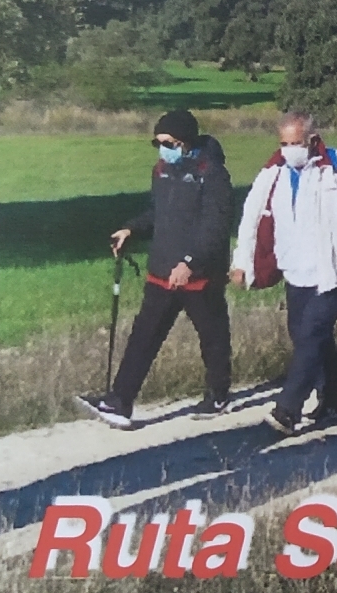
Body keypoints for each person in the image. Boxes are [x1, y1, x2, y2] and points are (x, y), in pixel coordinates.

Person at [78, 110, 233, 429]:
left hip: (198, 274)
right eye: (159, 143)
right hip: (161, 269)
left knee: (212, 335)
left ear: (187, 142)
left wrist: (191, 262)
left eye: (170, 143)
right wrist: (131, 230)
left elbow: (215, 227)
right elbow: (158, 213)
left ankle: (218, 394)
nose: (164, 149)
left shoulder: (212, 173)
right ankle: (119, 401)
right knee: (143, 336)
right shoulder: (162, 170)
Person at [233, 111, 337, 433]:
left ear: (312, 140)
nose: (289, 150)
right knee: (307, 336)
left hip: (334, 268)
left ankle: (288, 409)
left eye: (295, 143)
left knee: (312, 333)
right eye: (284, 143)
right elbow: (252, 216)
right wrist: (242, 260)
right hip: (295, 267)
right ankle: (333, 399)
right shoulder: (274, 171)